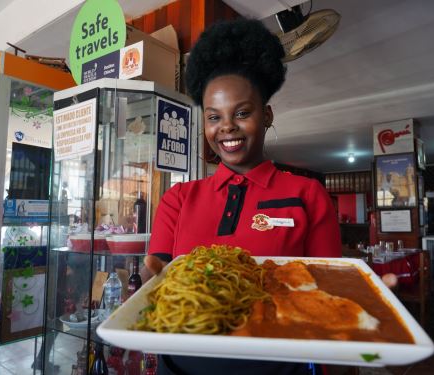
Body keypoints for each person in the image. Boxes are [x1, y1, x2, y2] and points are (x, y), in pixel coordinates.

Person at [142, 18, 395, 375]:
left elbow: (326, 292)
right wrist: (149, 277)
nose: (226, 127)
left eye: (242, 113)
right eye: (214, 117)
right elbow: (157, 278)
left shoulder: (307, 194)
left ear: (267, 115)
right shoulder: (178, 198)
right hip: (182, 365)